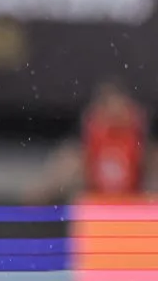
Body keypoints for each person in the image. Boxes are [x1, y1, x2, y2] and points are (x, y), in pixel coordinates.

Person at [23, 79, 152, 204]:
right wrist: (45, 189)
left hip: (132, 204)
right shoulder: (93, 134)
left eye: (119, 108)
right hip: (96, 202)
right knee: (70, 159)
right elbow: (69, 165)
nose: (114, 114)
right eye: (108, 107)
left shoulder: (137, 136)